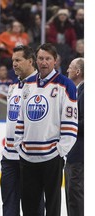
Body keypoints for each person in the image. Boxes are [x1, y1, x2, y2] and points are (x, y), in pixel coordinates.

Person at [14, 43, 78, 216]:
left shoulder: (66, 85)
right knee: (29, 207)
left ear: (55, 61)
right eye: (41, 58)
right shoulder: (27, 85)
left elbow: (70, 122)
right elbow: (21, 118)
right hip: (27, 156)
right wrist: (19, 144)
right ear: (36, 60)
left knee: (52, 206)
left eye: (48, 59)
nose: (44, 62)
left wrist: (60, 150)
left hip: (52, 156)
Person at [1, 45, 45, 216]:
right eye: (13, 61)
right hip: (9, 157)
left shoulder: (42, 87)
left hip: (30, 158)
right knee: (9, 206)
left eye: (18, 60)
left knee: (33, 206)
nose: (14, 64)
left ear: (30, 61)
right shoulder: (13, 87)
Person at [65, 57, 84, 216]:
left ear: (78, 72)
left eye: (70, 67)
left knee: (75, 191)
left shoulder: (85, 92)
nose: (67, 70)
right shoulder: (77, 90)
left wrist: (67, 124)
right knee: (72, 191)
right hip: (74, 152)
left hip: (79, 152)